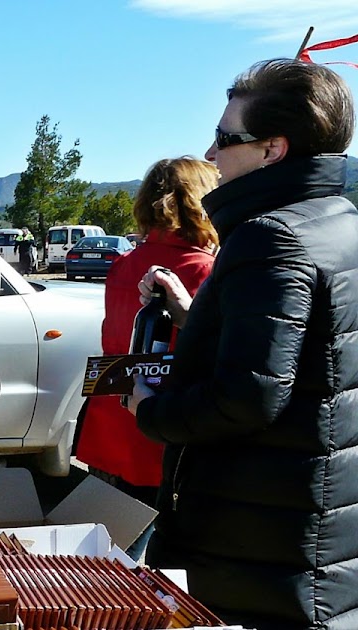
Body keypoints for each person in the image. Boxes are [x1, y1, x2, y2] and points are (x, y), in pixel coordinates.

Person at [127, 59, 358, 629]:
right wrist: (195, 316)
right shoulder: (337, 220)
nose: (210, 154)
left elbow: (248, 397)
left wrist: (150, 410)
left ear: (272, 150)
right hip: (313, 525)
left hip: (260, 540)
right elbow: (309, 355)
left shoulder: (269, 236)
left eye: (225, 138)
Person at [74, 157, 218, 560]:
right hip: (159, 435)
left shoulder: (125, 263)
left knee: (103, 556)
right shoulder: (205, 271)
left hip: (110, 423)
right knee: (144, 566)